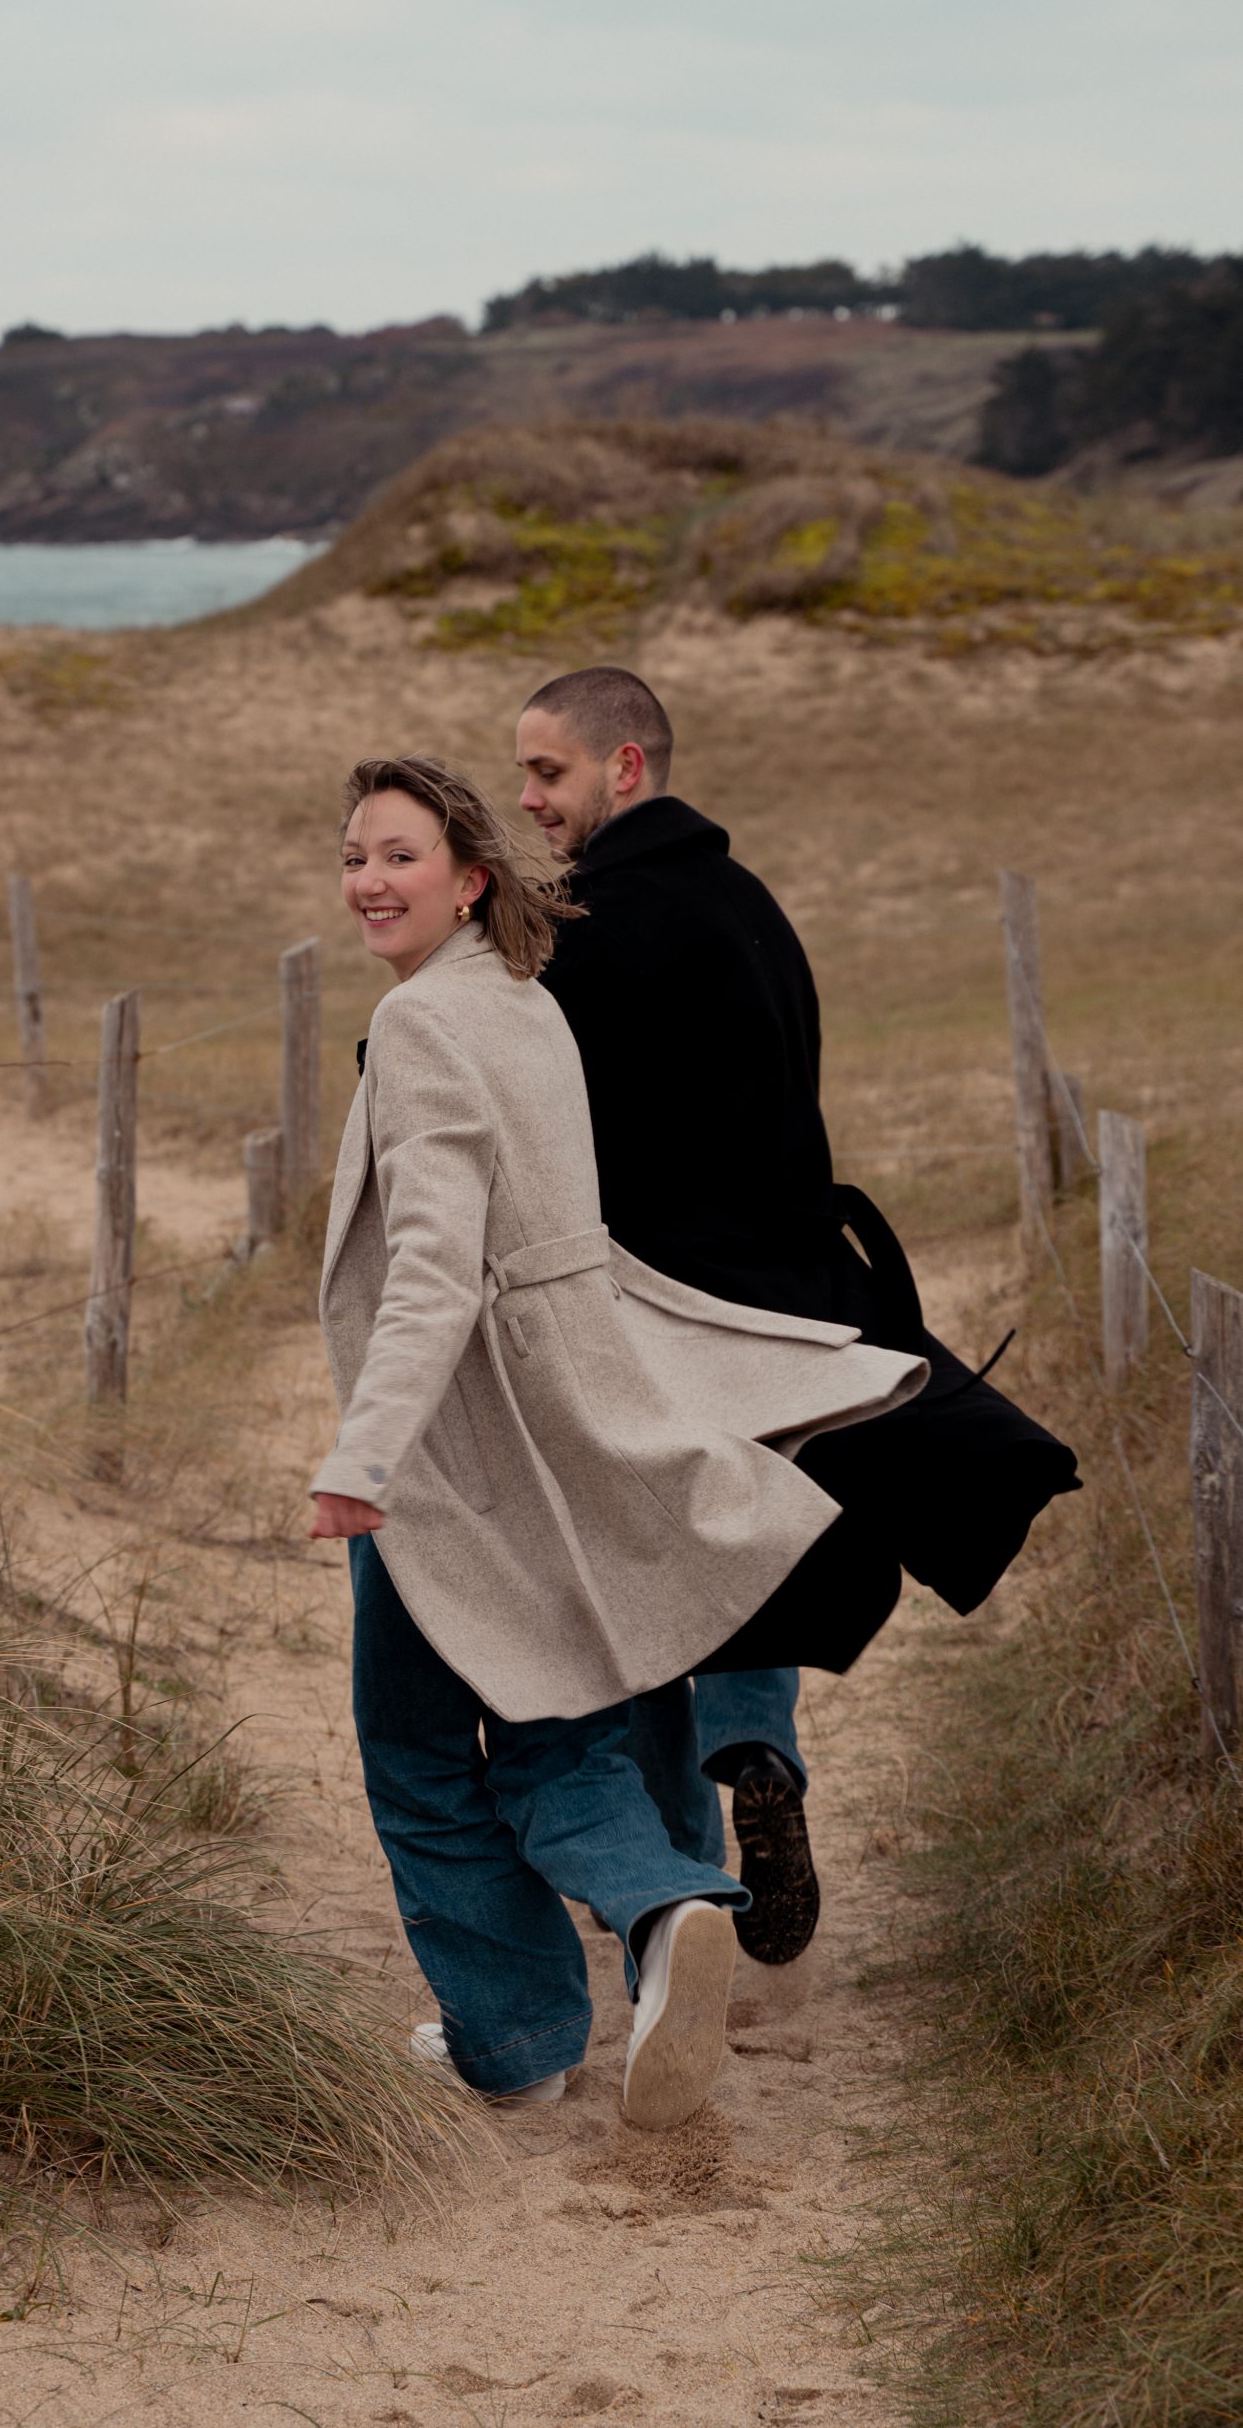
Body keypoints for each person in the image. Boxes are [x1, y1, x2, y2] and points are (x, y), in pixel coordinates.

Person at [307, 754, 926, 2124]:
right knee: (553, 1742)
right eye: (353, 857)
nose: (367, 881)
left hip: (454, 1456)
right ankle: (667, 1913)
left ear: (470, 877)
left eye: (398, 856)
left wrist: (362, 1458)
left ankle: (521, 2044)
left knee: (416, 1757)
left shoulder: (424, 1027)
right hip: (568, 1427)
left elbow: (433, 1270)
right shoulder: (520, 1002)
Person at [517, 665, 1081, 1963]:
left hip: (667, 1303)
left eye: (548, 771)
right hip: (793, 1288)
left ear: (626, 767)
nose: (532, 798)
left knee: (663, 1563)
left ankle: (682, 1889)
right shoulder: (746, 900)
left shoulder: (600, 922)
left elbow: (518, 1100)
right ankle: (756, 1747)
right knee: (762, 1532)